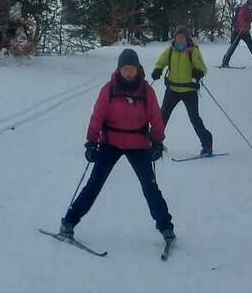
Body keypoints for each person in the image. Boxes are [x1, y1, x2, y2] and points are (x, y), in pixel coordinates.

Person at [59, 48, 174, 244]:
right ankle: (69, 222)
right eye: (125, 69)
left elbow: (156, 117)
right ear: (119, 69)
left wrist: (157, 142)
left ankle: (166, 228)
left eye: (132, 69)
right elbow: (97, 117)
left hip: (138, 144)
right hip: (110, 143)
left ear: (137, 69)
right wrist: (91, 143)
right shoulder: (109, 89)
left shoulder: (146, 91)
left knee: (150, 187)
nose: (128, 73)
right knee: (94, 184)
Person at [151, 27, 214, 157]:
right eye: (177, 37)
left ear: (187, 39)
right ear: (174, 38)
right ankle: (154, 144)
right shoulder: (170, 50)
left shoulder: (193, 51)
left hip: (189, 91)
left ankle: (207, 145)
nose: (179, 40)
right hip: (172, 90)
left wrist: (199, 72)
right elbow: (160, 62)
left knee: (195, 119)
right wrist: (157, 70)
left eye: (182, 38)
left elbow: (203, 68)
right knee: (162, 117)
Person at [222, 0, 252, 68]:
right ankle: (225, 61)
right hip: (238, 31)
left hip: (245, 33)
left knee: (251, 47)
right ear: (247, 4)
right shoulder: (243, 10)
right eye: (251, 5)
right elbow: (240, 19)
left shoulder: (251, 12)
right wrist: (245, 24)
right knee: (233, 47)